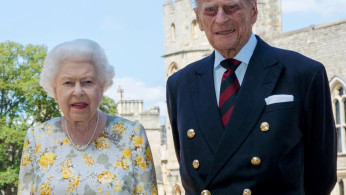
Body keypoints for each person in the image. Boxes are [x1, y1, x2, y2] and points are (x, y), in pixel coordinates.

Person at [166, 0, 337, 194]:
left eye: (231, 7)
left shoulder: (303, 74)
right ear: (199, 19)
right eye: (211, 10)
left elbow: (322, 176)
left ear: (253, 11)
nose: (221, 19)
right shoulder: (179, 85)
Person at [18, 39, 157, 194]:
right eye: (68, 83)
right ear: (55, 91)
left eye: (87, 82)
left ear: (101, 88)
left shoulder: (132, 136)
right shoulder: (37, 138)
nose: (78, 92)